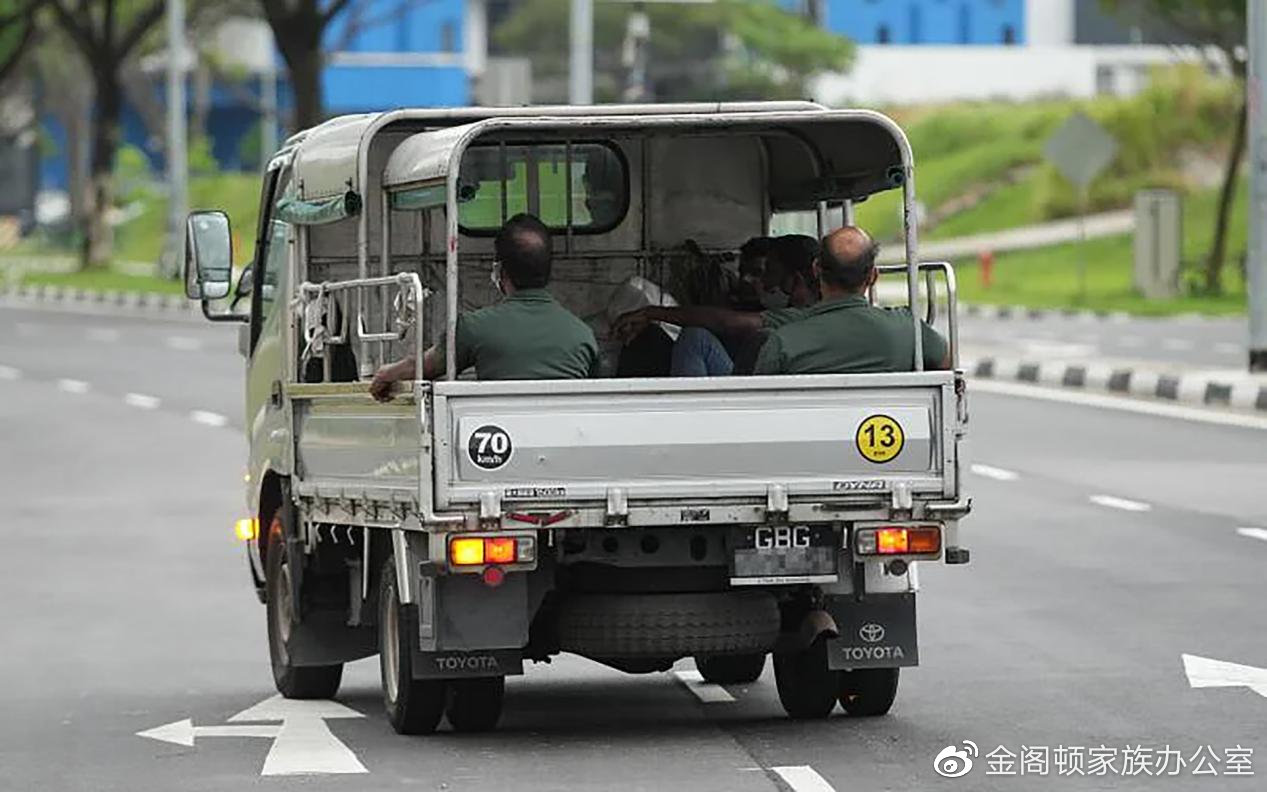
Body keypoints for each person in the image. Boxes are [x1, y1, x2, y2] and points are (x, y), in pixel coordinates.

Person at [369, 213, 598, 400]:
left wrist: (386, 374)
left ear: (499, 271)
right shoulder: (583, 335)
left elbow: (423, 367)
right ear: (548, 270)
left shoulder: (474, 327)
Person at [612, 234, 820, 376]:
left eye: (768, 273)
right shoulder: (737, 304)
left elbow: (724, 322)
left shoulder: (802, 315)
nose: (760, 281)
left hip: (761, 394)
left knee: (695, 338)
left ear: (796, 279)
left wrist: (651, 312)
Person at [753, 226, 950, 375]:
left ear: (816, 270)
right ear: (873, 276)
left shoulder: (782, 343)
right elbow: (947, 365)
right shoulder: (909, 329)